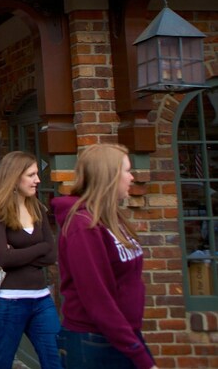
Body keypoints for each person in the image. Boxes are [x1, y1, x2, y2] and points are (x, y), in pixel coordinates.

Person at [52, 144, 157, 369]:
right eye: (127, 171)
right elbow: (97, 298)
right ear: (108, 176)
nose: (132, 177)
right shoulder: (83, 227)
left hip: (121, 337)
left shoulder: (111, 219)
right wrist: (138, 354)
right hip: (93, 343)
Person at [0, 151, 60, 369]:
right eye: (31, 174)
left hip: (42, 299)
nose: (38, 179)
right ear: (15, 177)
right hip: (7, 301)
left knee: (54, 360)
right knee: (1, 362)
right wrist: (39, 248)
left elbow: (52, 254)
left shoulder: (37, 208)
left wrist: (19, 252)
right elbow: (3, 258)